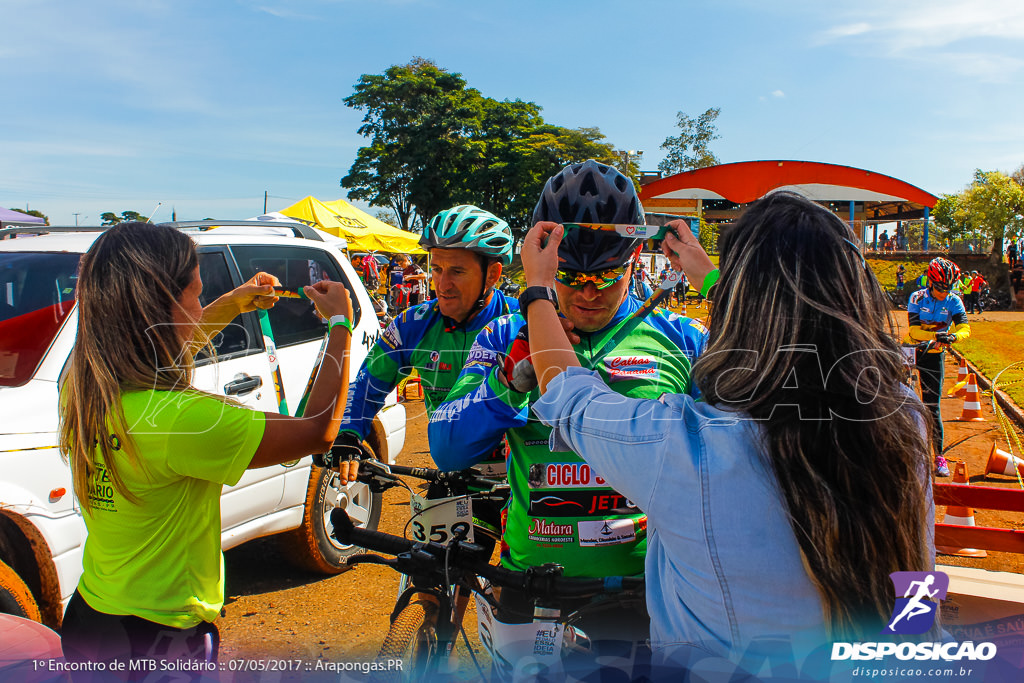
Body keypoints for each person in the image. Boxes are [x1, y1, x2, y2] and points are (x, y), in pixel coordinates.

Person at [523, 192, 937, 672]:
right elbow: (795, 332)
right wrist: (717, 281)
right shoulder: (900, 418)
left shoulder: (686, 447)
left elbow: (569, 397)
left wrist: (538, 290)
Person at [429, 160, 708, 665]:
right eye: (570, 276)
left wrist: (714, 281)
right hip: (531, 585)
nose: (587, 293)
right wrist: (510, 380)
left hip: (647, 589)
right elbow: (446, 446)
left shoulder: (682, 338)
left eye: (606, 276)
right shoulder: (505, 335)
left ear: (635, 257)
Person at [57, 222, 354, 673]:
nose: (200, 305)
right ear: (160, 307)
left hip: (92, 614)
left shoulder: (85, 383)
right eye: (196, 294)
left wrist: (234, 303)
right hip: (158, 640)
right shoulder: (180, 420)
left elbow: (165, 347)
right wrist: (340, 324)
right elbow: (316, 431)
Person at [331, 205, 518, 478]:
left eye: (457, 272)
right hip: (453, 474)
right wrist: (347, 434)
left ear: (492, 274)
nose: (442, 284)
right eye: (438, 269)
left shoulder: (523, 320)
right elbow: (365, 385)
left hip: (521, 480)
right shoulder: (413, 325)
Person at [906, 257, 971, 476]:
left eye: (949, 287)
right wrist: (937, 335)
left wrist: (953, 337)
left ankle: (939, 456)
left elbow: (965, 328)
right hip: (913, 351)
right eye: (942, 287)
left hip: (934, 356)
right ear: (931, 283)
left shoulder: (953, 301)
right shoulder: (917, 297)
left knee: (932, 407)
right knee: (899, 400)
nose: (945, 291)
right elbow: (914, 331)